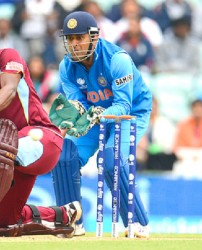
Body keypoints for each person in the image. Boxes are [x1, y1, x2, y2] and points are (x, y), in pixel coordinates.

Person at [0, 17, 81, 237]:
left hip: (43, 138)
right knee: (5, 223)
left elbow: (9, 88)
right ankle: (64, 216)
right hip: (12, 160)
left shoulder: (5, 56)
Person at [49, 11, 152, 238]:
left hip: (131, 114)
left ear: (94, 37)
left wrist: (96, 114)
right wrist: (69, 119)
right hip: (96, 117)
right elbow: (78, 105)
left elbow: (123, 105)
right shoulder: (66, 67)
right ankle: (71, 222)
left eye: (80, 38)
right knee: (64, 154)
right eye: (70, 39)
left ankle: (137, 223)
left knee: (110, 159)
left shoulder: (117, 59)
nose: (74, 44)